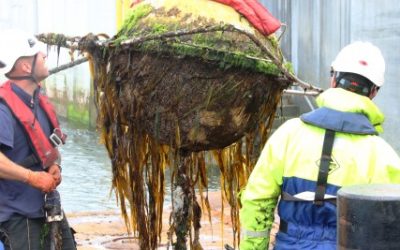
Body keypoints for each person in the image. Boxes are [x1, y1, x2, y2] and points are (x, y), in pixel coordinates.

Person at [239, 41, 400, 249]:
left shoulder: (289, 134)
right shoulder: (382, 155)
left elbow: (257, 200)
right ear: (374, 92)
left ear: (333, 79)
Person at [0, 29, 76, 250]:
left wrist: (55, 165)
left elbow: (47, 146)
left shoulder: (37, 101)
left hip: (47, 206)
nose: (45, 56)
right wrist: (32, 177)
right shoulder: (3, 109)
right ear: (25, 66)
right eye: (39, 55)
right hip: (17, 214)